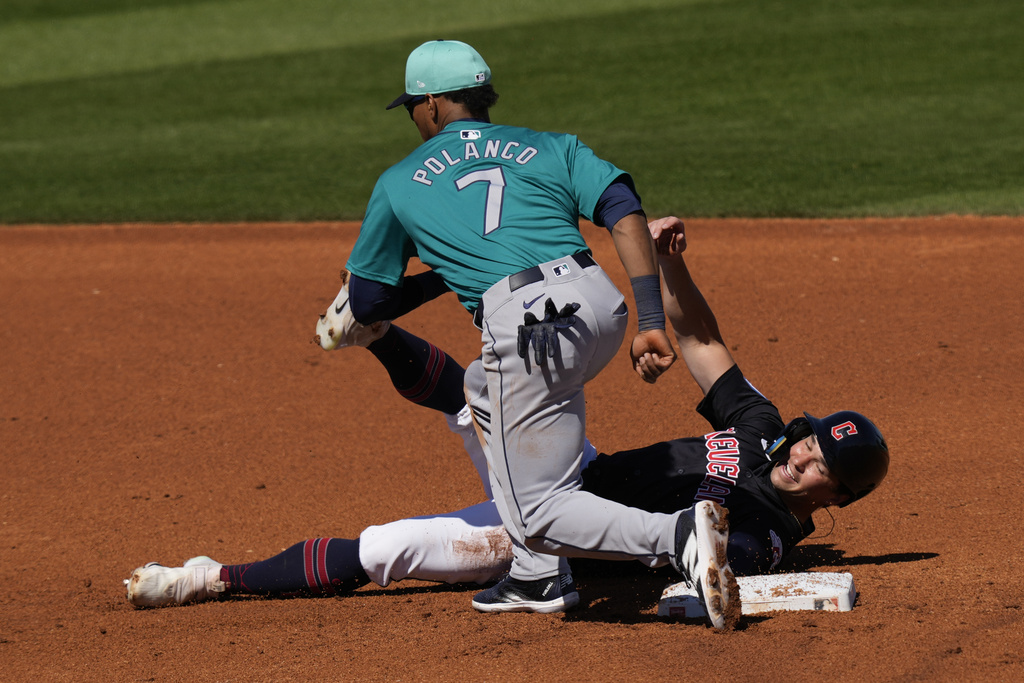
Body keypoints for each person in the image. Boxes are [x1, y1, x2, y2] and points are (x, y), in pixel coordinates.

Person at [126, 218, 890, 632]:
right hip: (570, 467)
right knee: (479, 388)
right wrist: (664, 267)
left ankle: (210, 576)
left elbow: (690, 593)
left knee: (395, 546)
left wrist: (705, 597)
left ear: (837, 499)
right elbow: (701, 342)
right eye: (810, 440)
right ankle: (375, 331)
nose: (802, 457)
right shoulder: (758, 429)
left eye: (823, 467)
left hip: (548, 532)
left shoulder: (764, 538)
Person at [332, 38, 714, 621]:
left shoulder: (399, 180)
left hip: (534, 327)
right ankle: (536, 577)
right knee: (483, 389)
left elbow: (369, 298)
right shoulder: (549, 146)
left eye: (411, 106)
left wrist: (436, 276)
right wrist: (651, 320)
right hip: (596, 303)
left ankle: (680, 535)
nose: (412, 118)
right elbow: (620, 204)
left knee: (542, 511)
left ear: (432, 105)